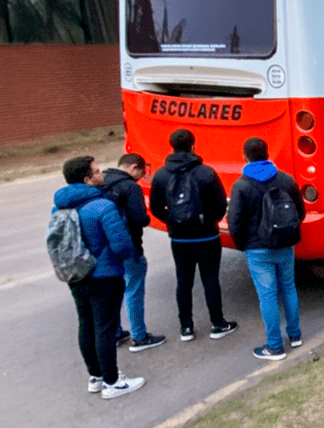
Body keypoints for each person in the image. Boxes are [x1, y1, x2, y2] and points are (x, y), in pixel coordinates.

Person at [55, 156, 144, 399]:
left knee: (86, 324)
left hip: (76, 274)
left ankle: (95, 376)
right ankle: (112, 382)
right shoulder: (103, 206)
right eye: (96, 171)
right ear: (87, 179)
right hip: (104, 275)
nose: (101, 173)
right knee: (105, 328)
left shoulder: (60, 207)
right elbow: (122, 246)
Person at [149, 128, 235, 342]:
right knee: (210, 279)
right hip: (207, 236)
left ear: (171, 146)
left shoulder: (161, 175)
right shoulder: (206, 172)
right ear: (193, 145)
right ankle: (218, 324)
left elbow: (156, 207)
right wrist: (210, 221)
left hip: (179, 238)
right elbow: (220, 205)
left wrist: (172, 221)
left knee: (183, 282)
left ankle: (186, 327)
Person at [227, 138, 305, 361]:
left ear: (245, 157)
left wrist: (244, 245)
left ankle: (275, 346)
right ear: (267, 153)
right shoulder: (286, 179)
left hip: (257, 248)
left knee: (267, 295)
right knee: (289, 288)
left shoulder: (241, 185)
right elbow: (300, 212)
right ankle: (295, 335)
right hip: (284, 244)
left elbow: (235, 222)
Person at [102, 154, 165, 352]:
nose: (141, 176)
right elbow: (139, 218)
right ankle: (139, 336)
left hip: (106, 248)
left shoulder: (101, 182)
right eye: (141, 172)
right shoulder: (130, 187)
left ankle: (115, 333)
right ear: (133, 167)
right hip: (129, 247)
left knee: (113, 292)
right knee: (133, 290)